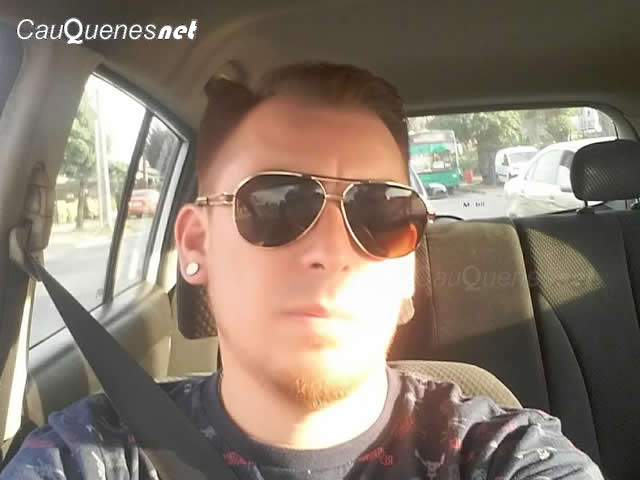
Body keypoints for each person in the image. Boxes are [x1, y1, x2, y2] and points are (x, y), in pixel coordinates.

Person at [0, 62, 603, 479]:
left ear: (406, 274)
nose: (331, 252)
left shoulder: (501, 456)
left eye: (381, 213)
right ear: (196, 244)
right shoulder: (89, 455)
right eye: (276, 204)